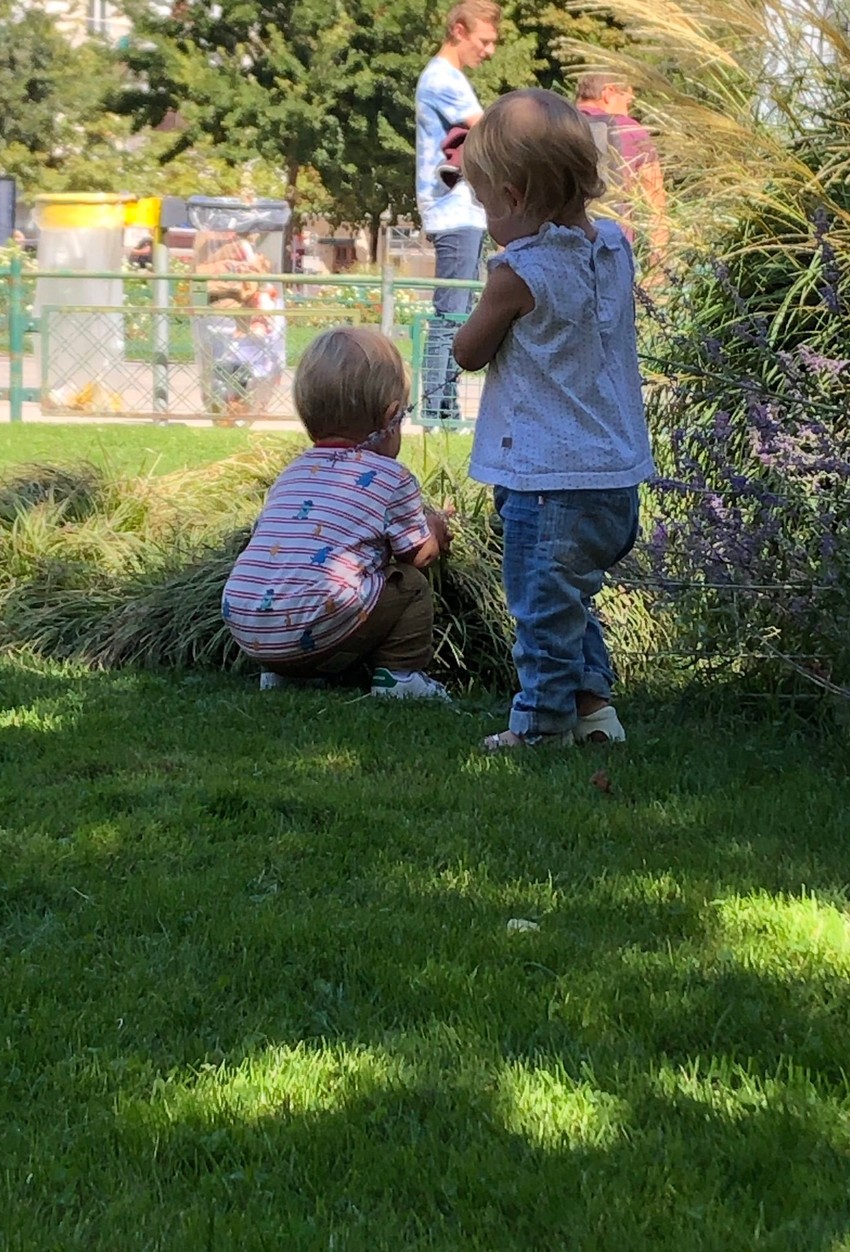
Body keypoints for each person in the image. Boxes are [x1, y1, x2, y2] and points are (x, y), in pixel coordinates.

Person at [452, 88, 655, 749]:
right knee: (571, 597)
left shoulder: (517, 273)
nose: (487, 219)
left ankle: (540, 725)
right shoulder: (615, 247)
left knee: (541, 608)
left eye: (486, 204)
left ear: (513, 197)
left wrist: (485, 309)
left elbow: (468, 352)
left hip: (548, 478)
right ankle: (594, 711)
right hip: (614, 475)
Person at [222, 328, 452, 699]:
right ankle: (400, 677)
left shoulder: (292, 473)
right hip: (318, 625)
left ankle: (284, 675)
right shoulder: (391, 477)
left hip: (249, 626)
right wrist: (434, 529)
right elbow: (419, 555)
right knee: (409, 584)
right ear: (390, 418)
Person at [415, 0, 500, 420]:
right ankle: (436, 410)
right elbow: (488, 129)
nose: (489, 51)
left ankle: (442, 407)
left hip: (461, 212)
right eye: (484, 41)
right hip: (454, 213)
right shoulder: (443, 78)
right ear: (459, 32)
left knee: (457, 309)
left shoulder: (449, 77)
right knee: (451, 310)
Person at [574, 72, 669, 271]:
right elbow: (656, 203)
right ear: (609, 93)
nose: (628, 110)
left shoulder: (552, 124)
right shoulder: (629, 130)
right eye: (627, 101)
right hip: (613, 253)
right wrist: (658, 268)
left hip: (557, 253)